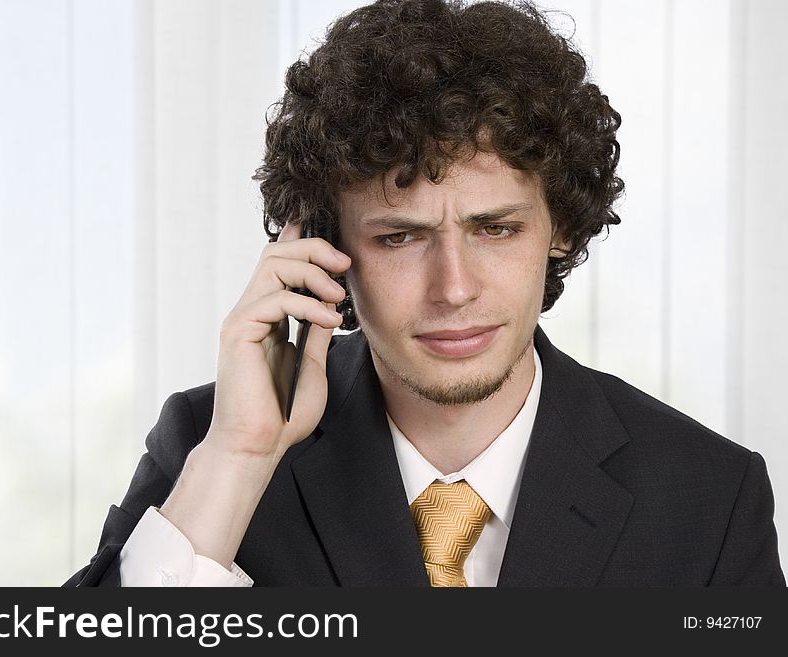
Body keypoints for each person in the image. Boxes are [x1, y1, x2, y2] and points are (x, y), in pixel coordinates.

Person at [66, 0, 784, 587]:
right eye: (400, 237)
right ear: (326, 250)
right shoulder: (210, 444)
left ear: (559, 226)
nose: (455, 287)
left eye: (495, 228)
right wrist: (239, 458)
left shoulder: (708, 497)